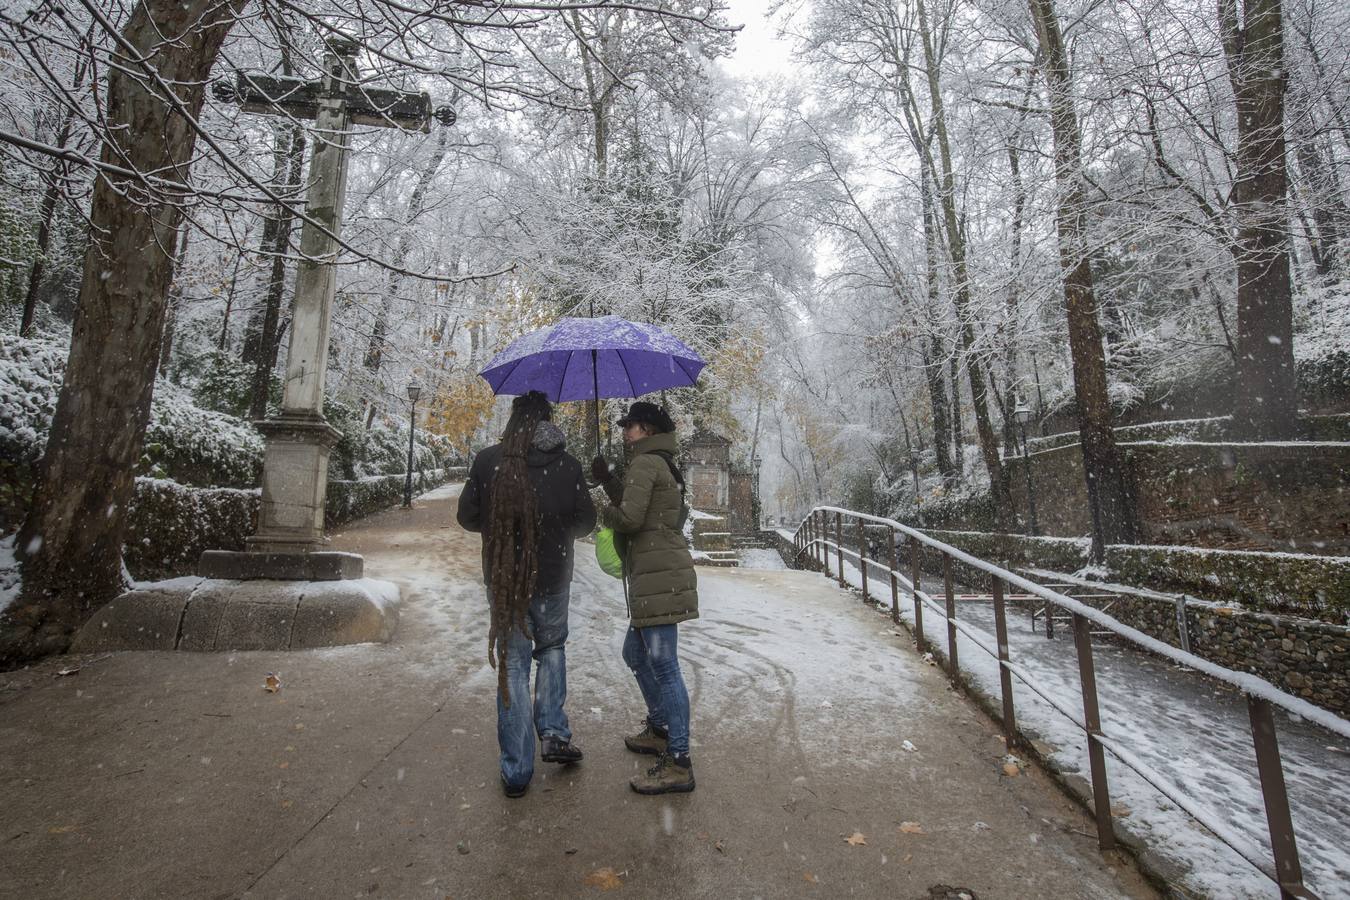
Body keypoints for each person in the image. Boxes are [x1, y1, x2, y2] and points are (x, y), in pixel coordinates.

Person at [457, 391, 597, 798]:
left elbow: (467, 516)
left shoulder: (489, 462)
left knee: (514, 667)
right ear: (548, 421)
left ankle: (517, 771)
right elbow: (586, 520)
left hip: (504, 582)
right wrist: (554, 531)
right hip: (553, 578)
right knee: (552, 650)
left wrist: (501, 527)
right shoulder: (567, 465)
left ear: (514, 420)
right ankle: (553, 733)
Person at [591, 401, 699, 795]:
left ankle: (680, 760)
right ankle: (659, 728)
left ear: (648, 429)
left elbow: (631, 519)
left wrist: (602, 510)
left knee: (665, 667)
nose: (625, 431)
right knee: (635, 655)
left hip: (657, 578)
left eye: (631, 426)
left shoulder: (644, 463)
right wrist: (608, 481)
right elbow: (646, 510)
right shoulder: (664, 463)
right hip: (660, 574)